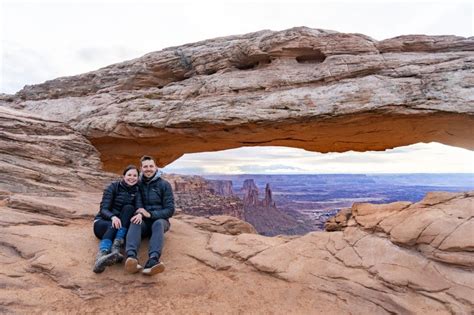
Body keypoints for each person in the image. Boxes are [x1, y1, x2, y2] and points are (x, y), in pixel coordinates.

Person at [124, 155, 175, 276]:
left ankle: (153, 260)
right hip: (144, 223)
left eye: (151, 166)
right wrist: (140, 213)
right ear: (141, 168)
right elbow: (138, 204)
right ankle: (131, 258)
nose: (148, 169)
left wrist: (150, 214)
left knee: (158, 223)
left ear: (156, 167)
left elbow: (170, 210)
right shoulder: (139, 185)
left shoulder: (164, 185)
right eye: (145, 166)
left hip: (160, 221)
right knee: (134, 220)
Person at [92, 165, 142, 273]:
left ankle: (116, 247)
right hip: (103, 223)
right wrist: (112, 217)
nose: (132, 178)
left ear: (138, 178)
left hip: (120, 226)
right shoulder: (113, 187)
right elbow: (103, 209)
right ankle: (101, 256)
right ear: (123, 176)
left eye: (135, 175)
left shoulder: (137, 192)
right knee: (113, 224)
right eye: (129, 175)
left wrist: (140, 214)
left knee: (129, 208)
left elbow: (139, 207)